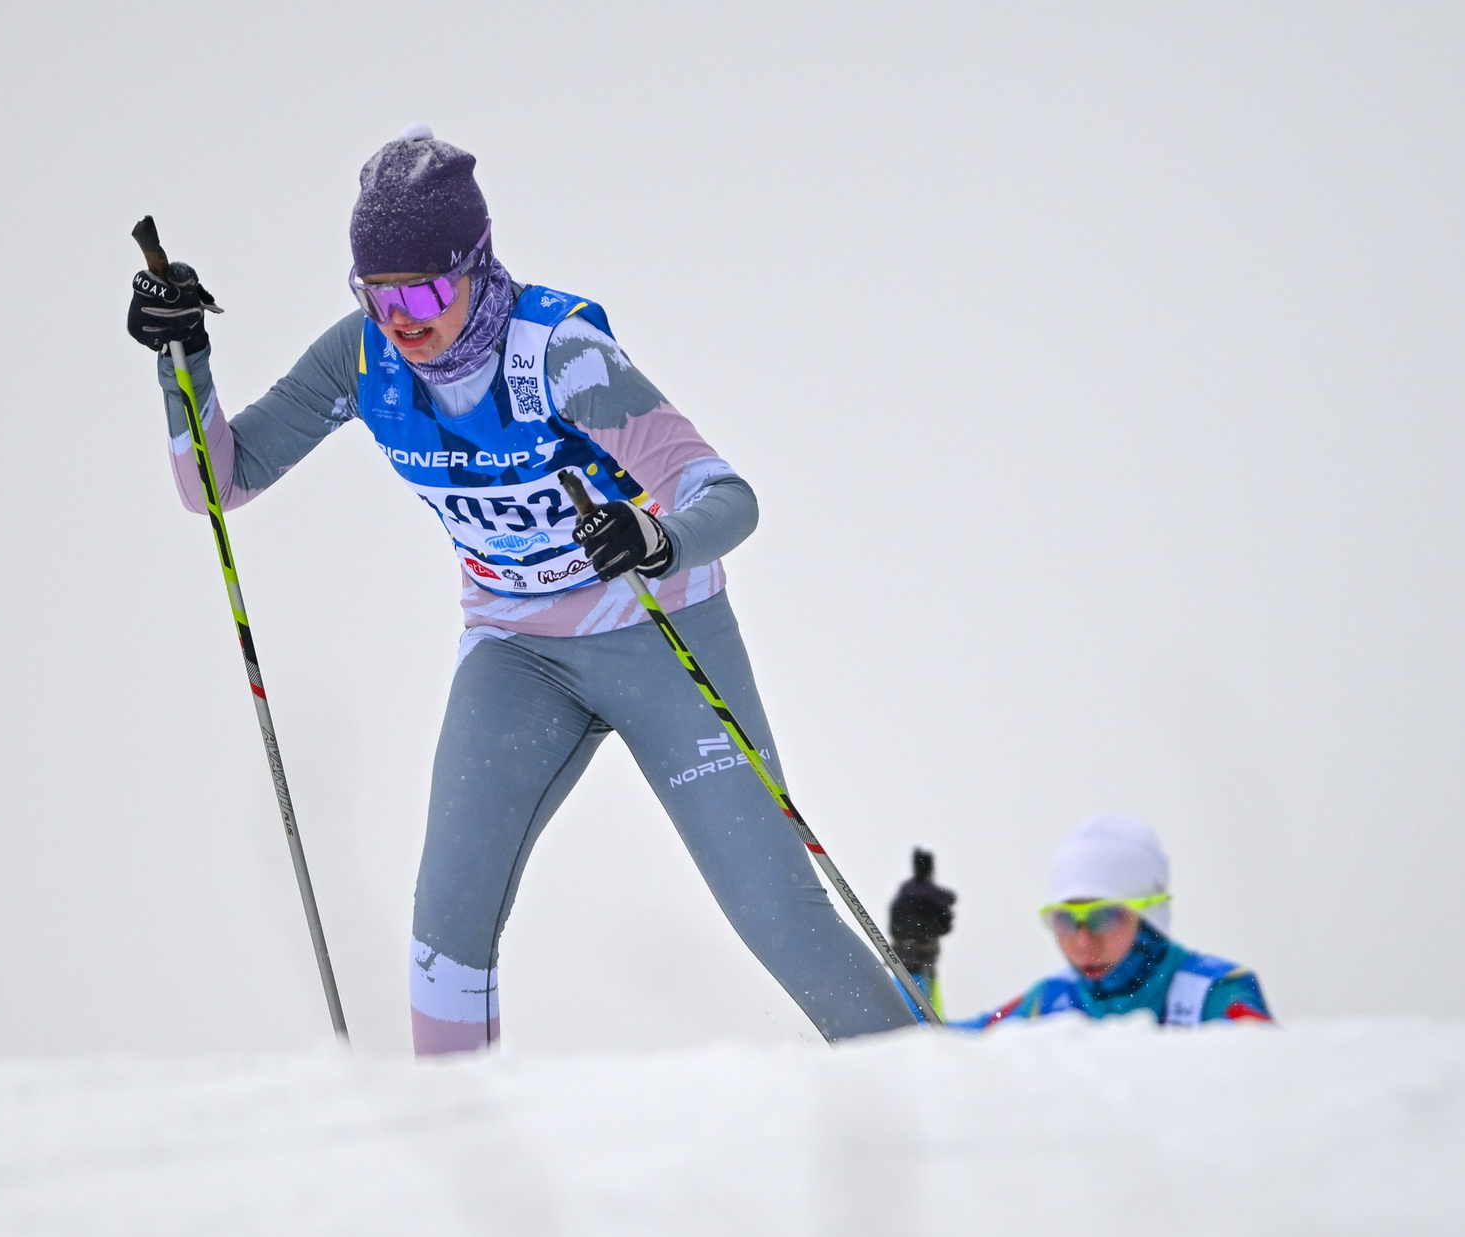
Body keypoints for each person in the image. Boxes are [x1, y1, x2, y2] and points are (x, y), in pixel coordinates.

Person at [130, 126, 916, 1054]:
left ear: (476, 264)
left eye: (425, 290)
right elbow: (218, 484)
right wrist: (182, 361)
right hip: (518, 654)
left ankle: (939, 1102)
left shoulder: (558, 352)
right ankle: (456, 1149)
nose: (402, 319)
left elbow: (726, 497)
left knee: (775, 910)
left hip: (661, 636)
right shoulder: (362, 358)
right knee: (445, 924)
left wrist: (656, 537)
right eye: (377, 294)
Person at [891, 816, 1274, 1028]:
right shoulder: (1052, 1001)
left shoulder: (1215, 994)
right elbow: (934, 1049)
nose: (1083, 943)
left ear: (1149, 918)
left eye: (1104, 917)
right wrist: (913, 962)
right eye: (1065, 920)